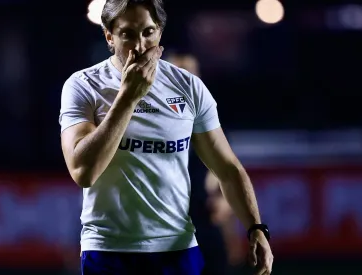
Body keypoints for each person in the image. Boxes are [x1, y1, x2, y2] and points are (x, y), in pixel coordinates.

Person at [58, 0, 274, 274]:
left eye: (148, 32)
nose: (140, 45)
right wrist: (128, 97)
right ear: (109, 37)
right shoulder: (83, 85)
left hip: (178, 251)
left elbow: (228, 169)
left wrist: (256, 228)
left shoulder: (189, 86)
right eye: (127, 34)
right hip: (109, 251)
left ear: (159, 31)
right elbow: (83, 171)